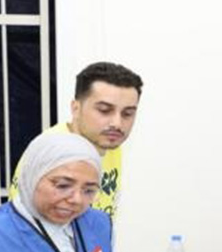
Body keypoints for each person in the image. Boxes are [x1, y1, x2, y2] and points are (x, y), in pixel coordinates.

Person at [8, 61, 142, 221]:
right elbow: (21, 225)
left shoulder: (111, 144)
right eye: (104, 110)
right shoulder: (52, 151)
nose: (117, 123)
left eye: (127, 113)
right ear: (76, 108)